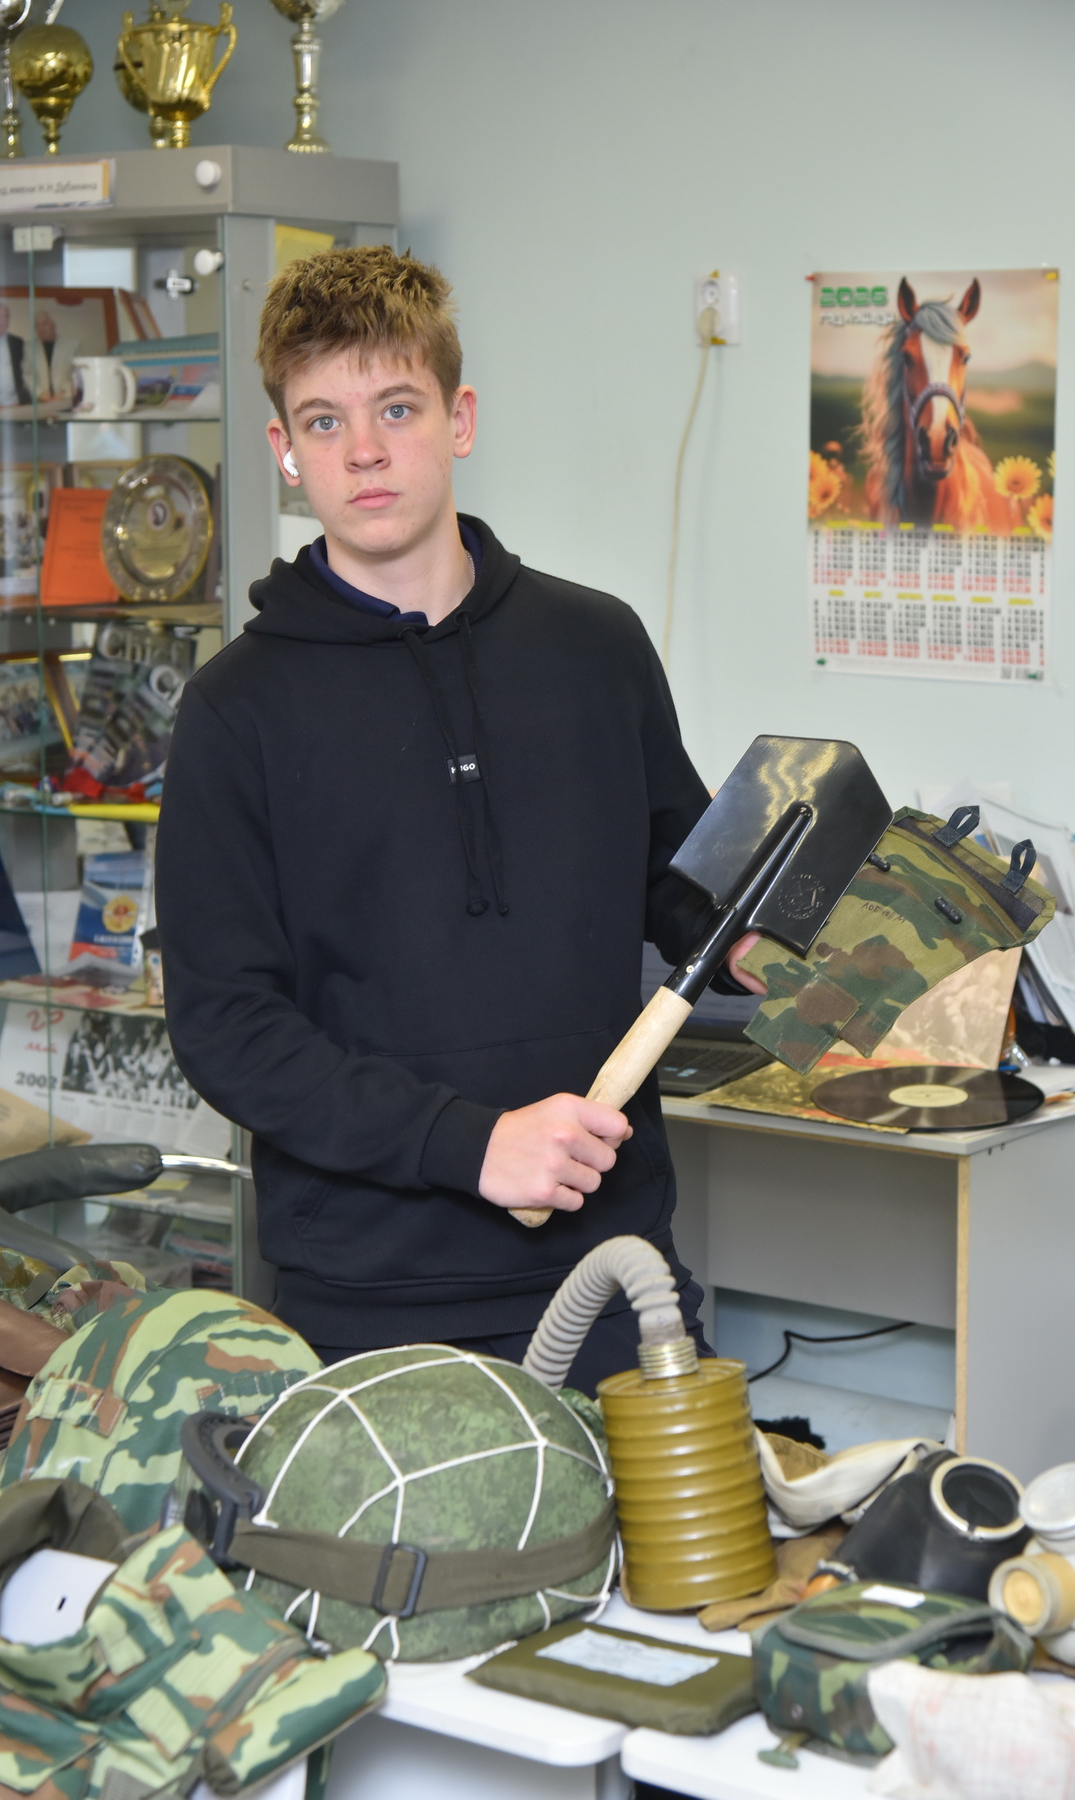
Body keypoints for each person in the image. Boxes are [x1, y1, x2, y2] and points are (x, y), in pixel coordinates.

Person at [156, 246, 763, 1394]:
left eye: (397, 407)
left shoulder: (596, 647)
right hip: (364, 1300)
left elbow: (676, 880)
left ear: (460, 418)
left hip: (614, 1270)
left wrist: (752, 934)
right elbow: (228, 1025)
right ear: (285, 449)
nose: (365, 450)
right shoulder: (236, 710)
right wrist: (469, 1144)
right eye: (324, 421)